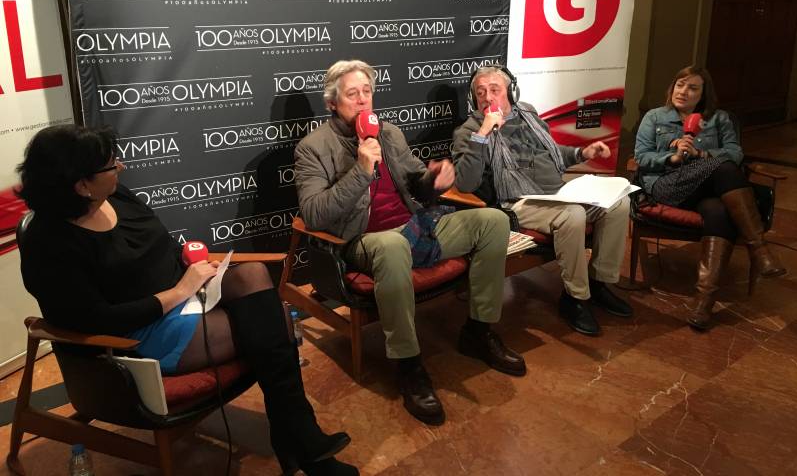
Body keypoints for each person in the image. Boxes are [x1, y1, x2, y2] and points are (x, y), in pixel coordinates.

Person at [16, 124, 357, 476]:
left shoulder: (115, 197)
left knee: (253, 273)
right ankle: (300, 440)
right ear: (82, 185)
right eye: (110, 164)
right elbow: (96, 319)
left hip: (184, 293)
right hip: (138, 334)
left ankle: (296, 437)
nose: (121, 167)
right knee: (273, 325)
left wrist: (188, 265)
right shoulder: (50, 244)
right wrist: (178, 292)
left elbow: (157, 246)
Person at [294, 59, 525, 426]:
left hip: (416, 228)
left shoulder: (389, 133)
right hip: (362, 241)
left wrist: (434, 178)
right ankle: (408, 365)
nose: (362, 101)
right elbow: (315, 213)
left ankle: (479, 332)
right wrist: (360, 170)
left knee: (493, 221)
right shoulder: (313, 147)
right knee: (391, 246)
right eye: (352, 95)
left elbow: (416, 180)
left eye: (367, 92)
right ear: (332, 103)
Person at [452, 65, 633, 337]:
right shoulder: (469, 131)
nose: (487, 98)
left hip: (557, 192)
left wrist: (582, 152)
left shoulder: (527, 113)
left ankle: (599, 284)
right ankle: (576, 298)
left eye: (494, 90)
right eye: (481, 93)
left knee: (619, 202)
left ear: (511, 92)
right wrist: (484, 134)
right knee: (572, 215)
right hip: (517, 202)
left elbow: (549, 152)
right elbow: (465, 182)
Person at [634, 65, 786, 329]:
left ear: (703, 94)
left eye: (693, 87)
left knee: (718, 210)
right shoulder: (655, 117)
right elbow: (641, 157)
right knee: (725, 169)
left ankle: (704, 300)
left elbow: (735, 152)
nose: (684, 91)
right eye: (680, 84)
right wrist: (671, 156)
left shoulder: (719, 119)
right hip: (667, 185)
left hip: (708, 189)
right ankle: (759, 249)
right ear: (672, 87)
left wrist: (703, 156)